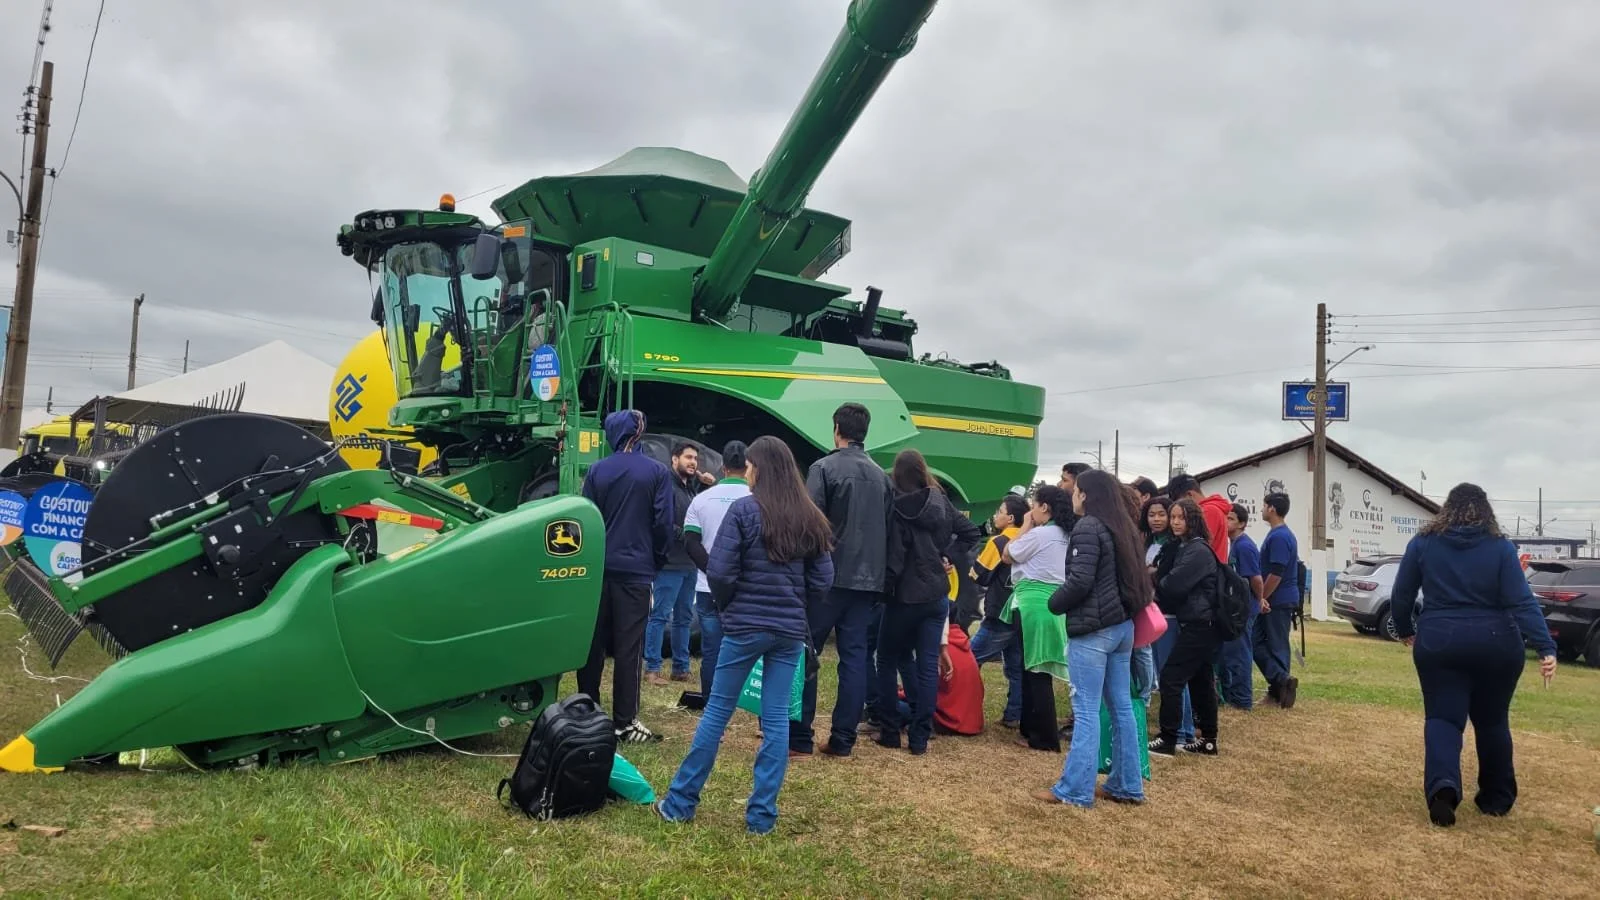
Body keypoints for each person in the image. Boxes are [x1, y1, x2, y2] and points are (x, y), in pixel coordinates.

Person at [655, 436, 835, 835]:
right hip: (788, 632)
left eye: (750, 466)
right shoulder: (810, 516)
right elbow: (824, 579)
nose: (747, 472)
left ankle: (680, 804)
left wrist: (729, 605)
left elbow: (720, 571)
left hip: (743, 628)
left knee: (717, 712)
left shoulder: (744, 511)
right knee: (776, 720)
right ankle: (761, 818)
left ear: (760, 469)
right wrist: (796, 605)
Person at [1389, 483, 1558, 828]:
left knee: (1442, 719)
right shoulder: (1501, 547)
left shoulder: (1423, 543)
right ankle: (1496, 798)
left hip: (1440, 640)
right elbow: (1521, 600)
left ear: (1446, 508)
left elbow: (1402, 593)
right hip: (1497, 642)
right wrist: (1545, 646)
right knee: (1493, 721)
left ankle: (1443, 787)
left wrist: (1405, 629)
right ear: (1486, 511)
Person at [1036, 470, 1151, 807]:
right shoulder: (1123, 528)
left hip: (1093, 630)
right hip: (1122, 627)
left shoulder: (1088, 527)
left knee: (1085, 709)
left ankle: (1074, 790)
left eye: (1075, 491)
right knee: (1121, 707)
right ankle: (1127, 784)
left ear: (1085, 494)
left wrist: (1054, 603)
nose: (1072, 496)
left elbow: (1080, 581)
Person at [792, 402, 894, 759]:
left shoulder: (823, 468)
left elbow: (809, 525)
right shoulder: (882, 477)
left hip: (826, 578)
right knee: (854, 658)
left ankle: (799, 737)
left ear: (837, 428)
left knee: (806, 652)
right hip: (868, 582)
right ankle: (843, 740)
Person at [578, 409, 674, 743]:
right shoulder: (657, 472)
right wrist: (657, 559)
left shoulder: (597, 470)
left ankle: (586, 711)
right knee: (629, 648)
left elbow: (586, 518)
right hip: (636, 571)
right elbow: (663, 523)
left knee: (592, 645)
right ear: (639, 432)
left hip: (598, 571)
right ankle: (624, 721)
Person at [875, 449, 979, 754]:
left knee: (887, 660)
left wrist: (882, 590)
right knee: (927, 664)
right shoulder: (939, 501)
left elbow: (895, 560)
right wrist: (946, 556)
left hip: (904, 596)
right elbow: (971, 532)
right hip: (936, 595)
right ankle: (920, 737)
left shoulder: (894, 505)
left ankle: (890, 731)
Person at [1000, 485, 1073, 752]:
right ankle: (1031, 729)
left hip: (1033, 604)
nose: (1030, 510)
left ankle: (1044, 737)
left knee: (1036, 671)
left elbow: (1007, 554)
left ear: (1044, 507)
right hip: (1053, 604)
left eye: (1034, 504)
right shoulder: (1066, 534)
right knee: (1034, 668)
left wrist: (1025, 525)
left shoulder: (1040, 534)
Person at [1149, 498, 1222, 756]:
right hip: (1198, 621)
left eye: (1182, 518)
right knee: (1201, 681)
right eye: (1174, 517)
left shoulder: (1196, 550)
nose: (1176, 522)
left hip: (1200, 623)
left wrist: (1155, 576)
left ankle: (1169, 738)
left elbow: (1172, 585)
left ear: (1193, 520)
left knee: (1172, 677)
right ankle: (1208, 740)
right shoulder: (1189, 548)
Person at [682, 440, 752, 700]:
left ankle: (711, 699)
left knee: (712, 648)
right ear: (748, 467)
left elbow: (690, 541)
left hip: (707, 586)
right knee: (745, 647)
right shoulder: (757, 499)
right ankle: (741, 696)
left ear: (723, 467)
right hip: (745, 587)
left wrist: (713, 570)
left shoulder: (701, 499)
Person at [646, 441, 714, 686]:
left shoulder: (690, 489)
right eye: (688, 457)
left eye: (695, 458)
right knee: (660, 616)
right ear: (674, 460)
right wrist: (688, 536)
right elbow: (661, 522)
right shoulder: (667, 487)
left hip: (689, 564)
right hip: (670, 564)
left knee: (684, 617)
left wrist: (704, 485)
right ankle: (652, 669)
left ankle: (680, 668)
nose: (693, 462)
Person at [971, 494, 1028, 728]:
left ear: (1011, 518)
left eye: (1000, 511)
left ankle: (962, 707)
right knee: (1016, 667)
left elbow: (978, 574)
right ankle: (1015, 713)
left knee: (969, 658)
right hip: (1023, 611)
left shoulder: (999, 542)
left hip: (999, 611)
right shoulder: (1031, 540)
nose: (996, 515)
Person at [1254, 493, 1301, 709]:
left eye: (1264, 506)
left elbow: (1276, 573)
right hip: (1275, 598)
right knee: (1257, 641)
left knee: (1276, 645)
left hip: (1278, 599)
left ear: (1272, 508)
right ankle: (1281, 681)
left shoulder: (1280, 536)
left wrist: (1261, 596)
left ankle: (1279, 692)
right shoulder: (1277, 534)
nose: (1262, 509)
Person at [1217, 503, 1264, 710]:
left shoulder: (1244, 546)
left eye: (1231, 519)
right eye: (1225, 518)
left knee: (1240, 651)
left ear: (1242, 523)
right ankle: (1230, 693)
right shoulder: (1232, 544)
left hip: (1245, 607)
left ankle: (1242, 699)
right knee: (1230, 652)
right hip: (1235, 606)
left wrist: (1259, 599)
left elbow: (1256, 578)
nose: (1226, 522)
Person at [1165, 474, 1231, 564]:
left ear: (1189, 495)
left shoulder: (1208, 511)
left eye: (1179, 502)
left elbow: (1197, 547)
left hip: (1205, 568)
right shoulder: (1211, 508)